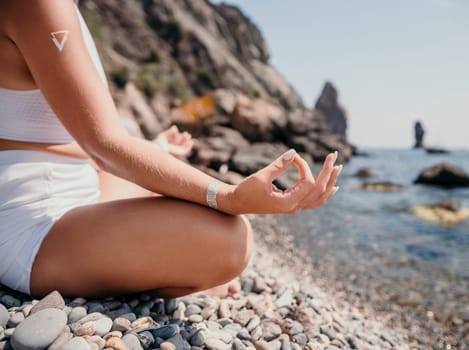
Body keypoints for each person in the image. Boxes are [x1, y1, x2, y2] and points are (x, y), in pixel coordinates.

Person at [0, 0, 342, 298]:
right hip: (31, 227)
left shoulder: (63, 7)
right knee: (233, 240)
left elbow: (58, 137)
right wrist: (230, 197)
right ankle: (158, 276)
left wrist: (154, 149)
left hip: (76, 182)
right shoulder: (39, 4)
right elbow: (104, 143)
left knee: (178, 184)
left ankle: (159, 265)